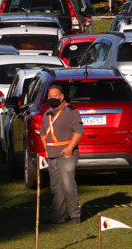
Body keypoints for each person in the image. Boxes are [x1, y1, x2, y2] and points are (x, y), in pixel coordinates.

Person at [40, 84, 84, 225]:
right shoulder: (47, 113)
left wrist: (70, 148)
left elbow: (79, 131)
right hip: (52, 155)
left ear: (61, 97)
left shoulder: (71, 111)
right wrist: (46, 148)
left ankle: (75, 215)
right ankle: (57, 217)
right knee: (56, 188)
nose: (52, 98)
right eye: (50, 96)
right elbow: (42, 133)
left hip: (66, 154)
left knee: (68, 185)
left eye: (55, 96)